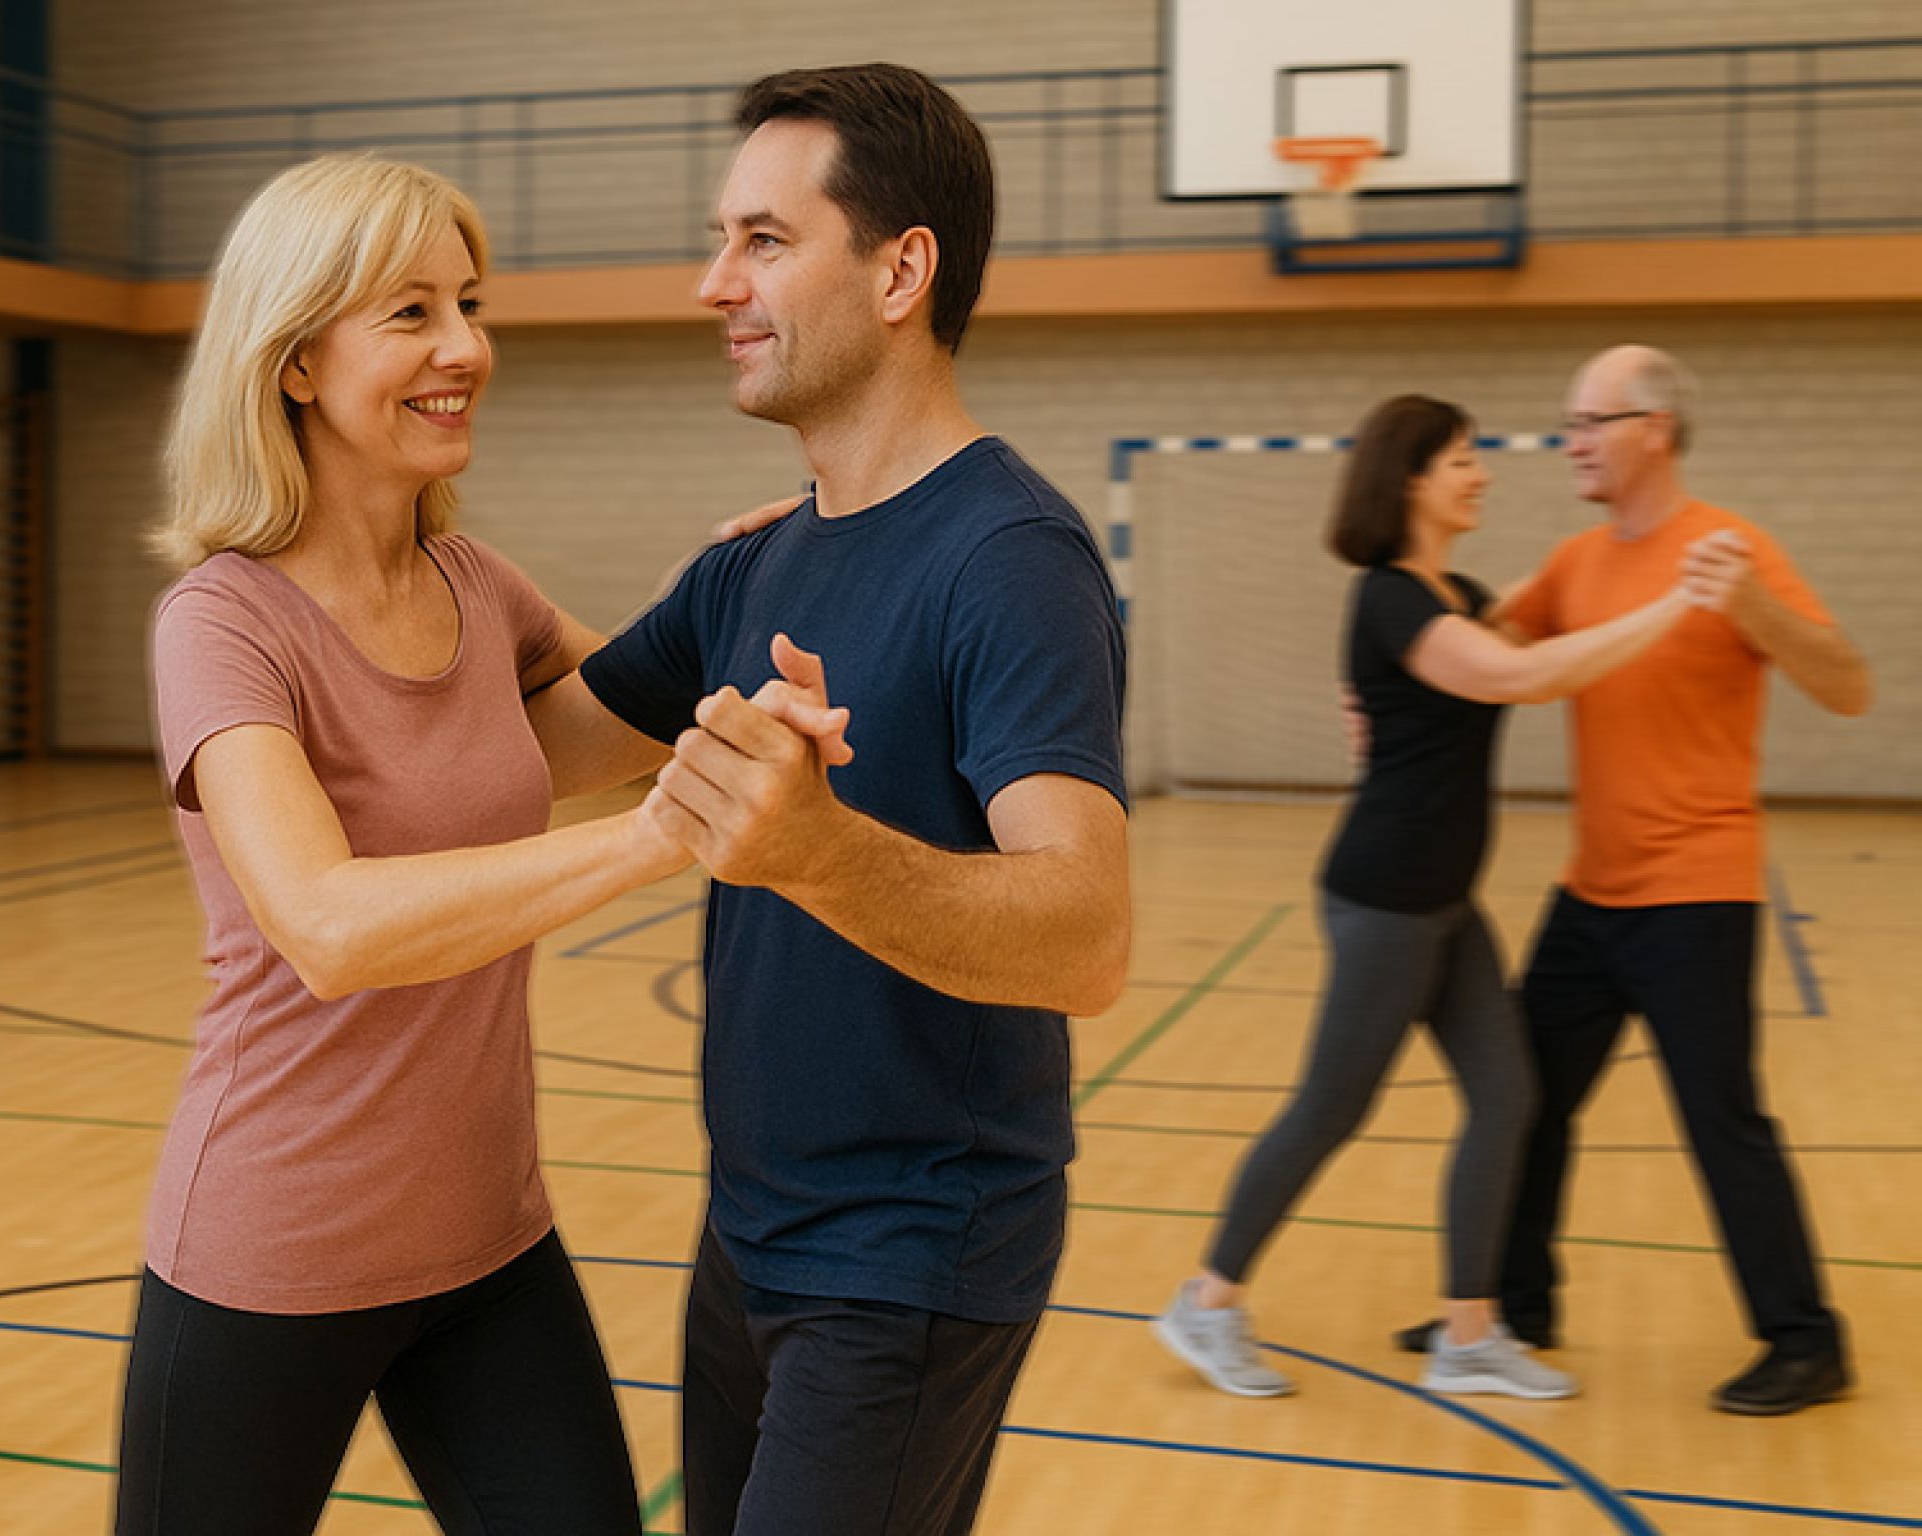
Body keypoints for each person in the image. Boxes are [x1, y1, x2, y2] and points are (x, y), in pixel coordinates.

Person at [116, 154, 845, 1536]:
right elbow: (328, 925)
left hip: (487, 1247)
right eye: (409, 313)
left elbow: (632, 716)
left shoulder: (473, 583)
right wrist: (661, 837)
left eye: (467, 302)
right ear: (293, 363)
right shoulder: (223, 624)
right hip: (271, 1254)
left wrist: (768, 577)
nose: (466, 348)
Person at [526, 65, 1132, 1536]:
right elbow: (536, 749)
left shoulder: (1011, 560)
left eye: (763, 240)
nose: (710, 282)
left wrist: (813, 851)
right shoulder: (758, 563)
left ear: (902, 268)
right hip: (752, 1233)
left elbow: (1086, 934)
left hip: (911, 1255)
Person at [1152, 394, 1712, 1402]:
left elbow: (1503, 644)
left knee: (1506, 1097)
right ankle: (1206, 1300)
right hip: (1386, 896)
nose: (1480, 473)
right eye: (1462, 458)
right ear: (1409, 478)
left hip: (1444, 898)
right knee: (1332, 1105)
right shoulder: (1388, 599)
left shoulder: (1451, 590)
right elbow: (1522, 673)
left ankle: (1468, 1332)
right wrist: (1678, 602)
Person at [1388, 345, 1871, 1416]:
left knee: (1721, 1121)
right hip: (1592, 896)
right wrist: (1381, 690)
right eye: (1570, 420)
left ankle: (1805, 1339)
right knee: (1525, 1100)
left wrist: (1756, 611)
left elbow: (1847, 686)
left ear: (1653, 428)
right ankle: (1511, 1306)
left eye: (1591, 420)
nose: (1573, 440)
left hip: (1698, 893)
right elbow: (1468, 647)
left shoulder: (1731, 549)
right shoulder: (1574, 562)